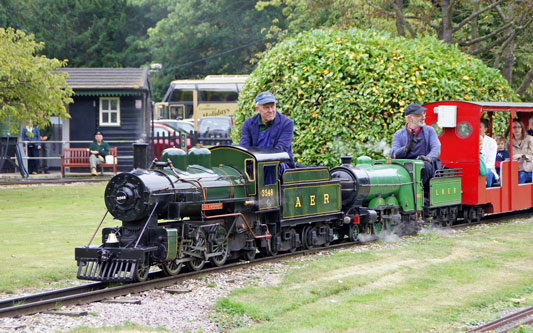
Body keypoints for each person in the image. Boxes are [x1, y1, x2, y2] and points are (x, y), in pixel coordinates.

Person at [240, 91, 296, 174]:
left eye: (272, 106)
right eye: (266, 107)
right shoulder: (248, 124)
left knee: (271, 168)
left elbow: (280, 150)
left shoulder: (287, 123)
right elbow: (244, 148)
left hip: (279, 165)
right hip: (254, 163)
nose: (271, 110)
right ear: (258, 109)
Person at [390, 103, 441, 184]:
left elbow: (436, 148)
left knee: (425, 167)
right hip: (405, 167)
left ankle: (417, 191)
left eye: (424, 114)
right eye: (419, 115)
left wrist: (428, 158)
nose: (423, 117)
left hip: (424, 166)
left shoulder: (429, 131)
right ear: (410, 118)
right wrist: (406, 149)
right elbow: (393, 154)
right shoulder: (398, 134)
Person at [479, 118, 498, 187]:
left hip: (488, 169)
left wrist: (480, 167)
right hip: (474, 168)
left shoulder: (492, 142)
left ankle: (485, 194)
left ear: (485, 129)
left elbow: (491, 163)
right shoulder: (470, 141)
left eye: (480, 127)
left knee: (487, 173)